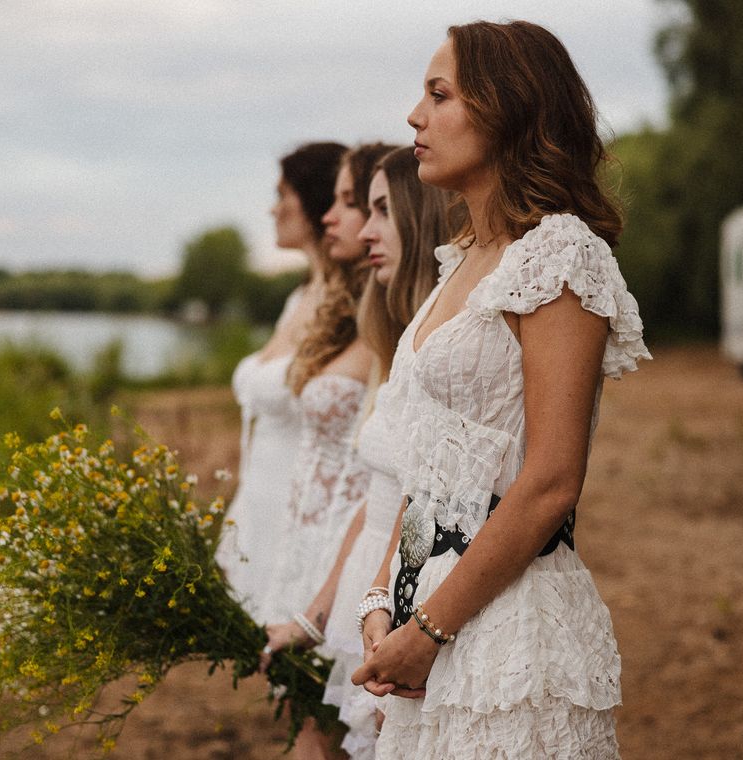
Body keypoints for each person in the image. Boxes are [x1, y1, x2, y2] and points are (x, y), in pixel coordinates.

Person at [351, 21, 651, 759]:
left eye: (439, 94)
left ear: (507, 107)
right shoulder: (462, 261)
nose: (414, 117)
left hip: (507, 624)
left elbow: (551, 481)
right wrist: (381, 597)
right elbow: (427, 460)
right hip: (422, 613)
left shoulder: (558, 253)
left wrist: (429, 632)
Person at [264, 146, 457, 759]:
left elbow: (418, 498)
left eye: (376, 209)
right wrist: (326, 609)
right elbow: (379, 498)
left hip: (412, 579)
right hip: (366, 580)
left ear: (417, 217)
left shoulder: (441, 342)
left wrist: (396, 613)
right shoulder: (390, 330)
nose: (361, 226)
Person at [259, 143, 393, 759]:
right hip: (311, 539)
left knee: (327, 740)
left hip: (355, 543)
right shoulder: (349, 310)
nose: (334, 218)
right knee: (308, 730)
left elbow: (385, 468)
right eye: (336, 201)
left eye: (352, 202)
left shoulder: (391, 315)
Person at [217, 141, 346, 624]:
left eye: (283, 194)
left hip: (306, 513)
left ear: (314, 199)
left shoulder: (345, 305)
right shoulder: (299, 299)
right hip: (261, 502)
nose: (273, 208)